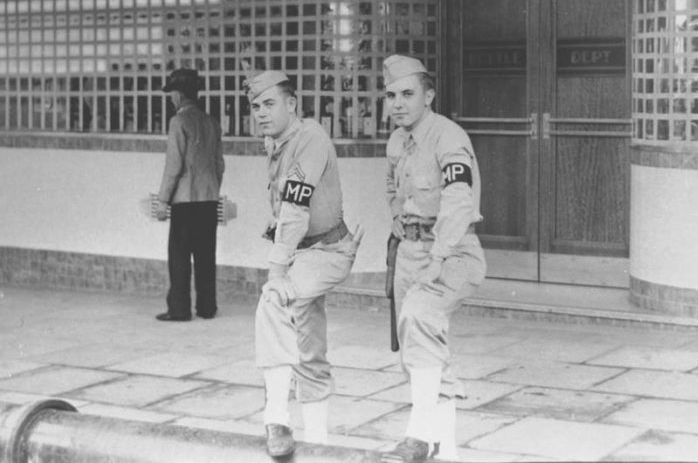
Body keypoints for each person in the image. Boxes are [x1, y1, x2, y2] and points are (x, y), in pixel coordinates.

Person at [245, 70, 361, 458]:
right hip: (305, 254)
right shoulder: (277, 140)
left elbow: (295, 206)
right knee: (309, 348)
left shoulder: (310, 139)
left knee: (274, 299)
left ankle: (276, 416)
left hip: (327, 252)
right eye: (255, 106)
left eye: (269, 104)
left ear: (291, 104)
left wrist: (276, 270)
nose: (261, 113)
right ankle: (319, 446)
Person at [381, 55, 486, 463]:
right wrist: (397, 223)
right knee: (418, 352)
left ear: (429, 95)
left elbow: (459, 204)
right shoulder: (396, 141)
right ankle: (445, 448)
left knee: (422, 317)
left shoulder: (448, 137)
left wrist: (437, 256)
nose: (398, 103)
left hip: (453, 251)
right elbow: (392, 189)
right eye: (390, 96)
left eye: (407, 94)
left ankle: (418, 436)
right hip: (408, 250)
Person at [154, 68, 225, 322]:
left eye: (172, 93)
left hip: (184, 201)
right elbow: (219, 164)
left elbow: (174, 166)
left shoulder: (178, 122)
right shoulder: (211, 122)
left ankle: (180, 309)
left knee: (180, 256)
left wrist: (163, 201)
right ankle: (207, 307)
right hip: (208, 199)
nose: (171, 98)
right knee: (206, 255)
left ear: (179, 94)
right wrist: (212, 190)